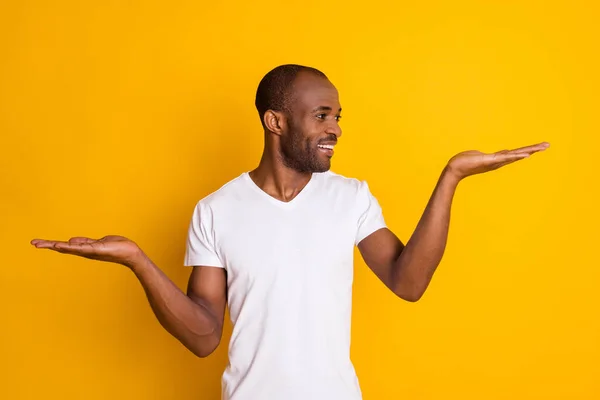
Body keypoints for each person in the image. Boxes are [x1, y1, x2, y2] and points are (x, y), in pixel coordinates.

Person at [31, 64, 550, 400]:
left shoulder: (350, 198)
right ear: (274, 121)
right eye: (322, 115)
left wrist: (451, 177)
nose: (337, 129)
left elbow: (407, 282)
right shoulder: (216, 210)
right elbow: (206, 335)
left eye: (339, 116)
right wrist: (138, 261)